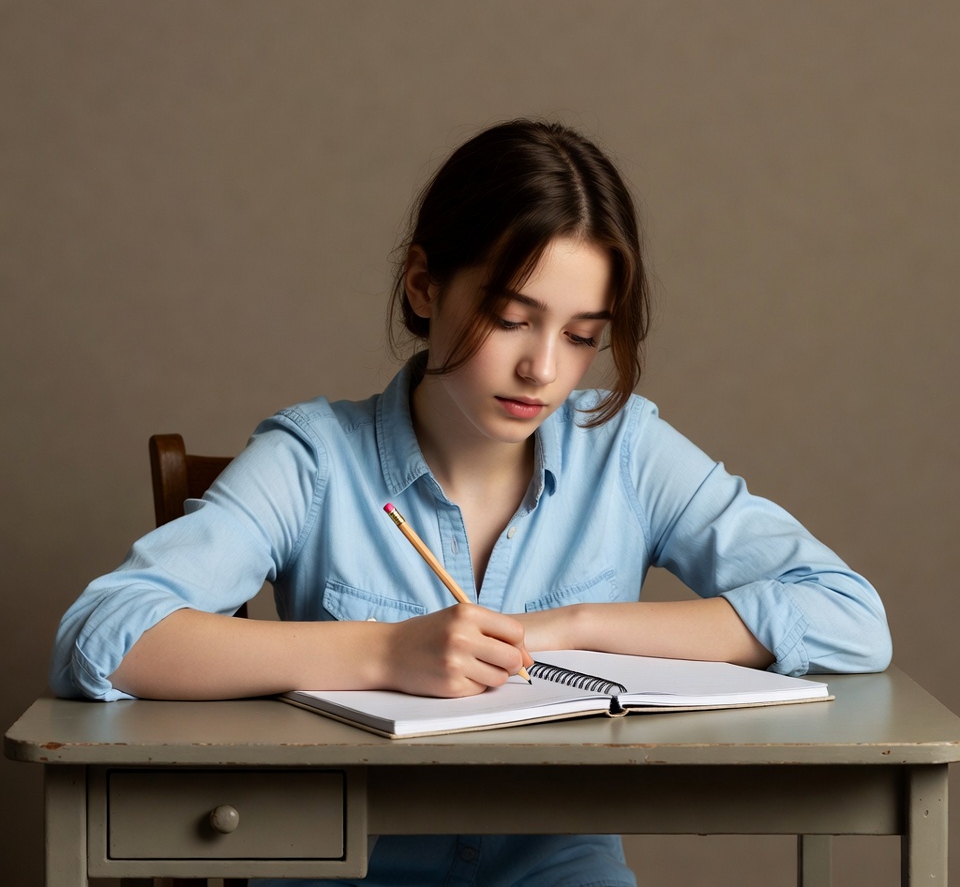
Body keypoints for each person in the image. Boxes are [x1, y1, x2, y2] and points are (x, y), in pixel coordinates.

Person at [50, 118, 892, 887]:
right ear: (424, 285)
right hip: (341, 860)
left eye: (581, 337)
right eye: (511, 319)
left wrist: (577, 629)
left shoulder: (626, 452)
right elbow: (104, 638)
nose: (545, 371)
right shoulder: (315, 460)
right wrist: (383, 656)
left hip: (556, 864)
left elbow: (850, 616)